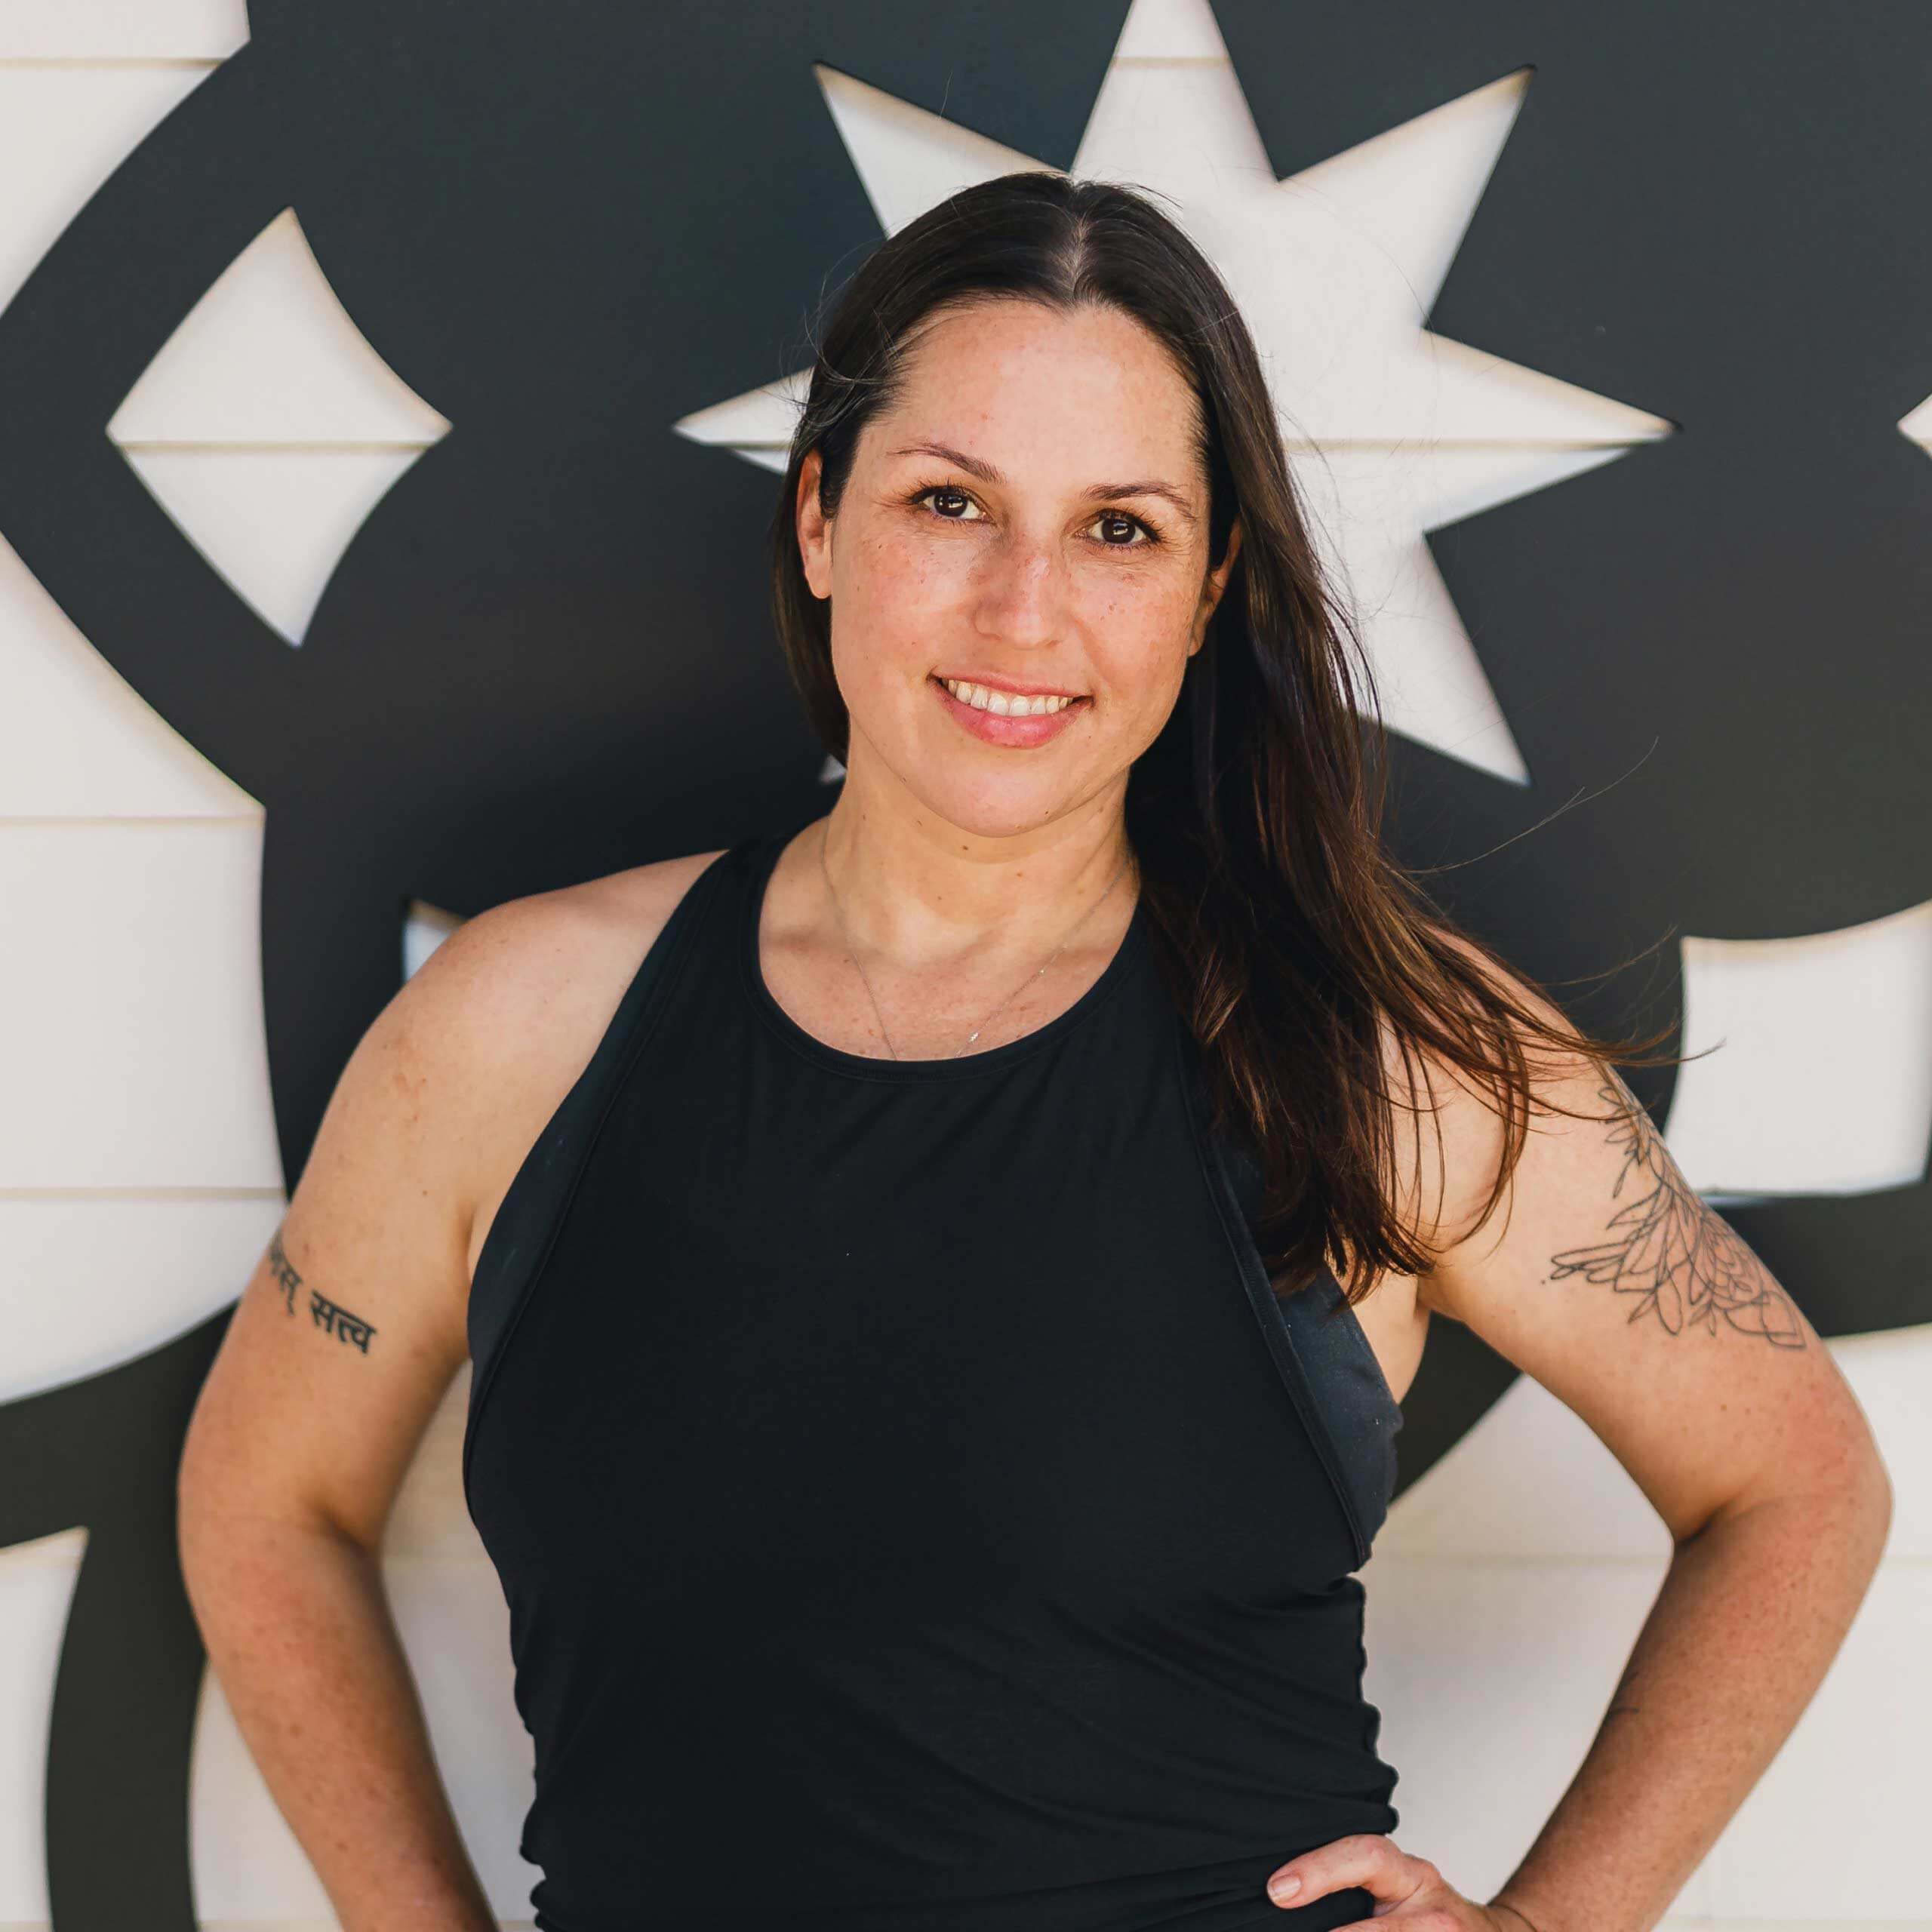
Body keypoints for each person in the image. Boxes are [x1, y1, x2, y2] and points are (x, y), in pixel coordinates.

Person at [177, 172, 1892, 1932]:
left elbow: (1791, 1477)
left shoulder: (1372, 1055)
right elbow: (265, 1496)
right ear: (822, 521)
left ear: (1211, 583)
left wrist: (1545, 1926)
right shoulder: (513, 1027)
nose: (1023, 608)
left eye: (1118, 529)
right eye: (949, 502)